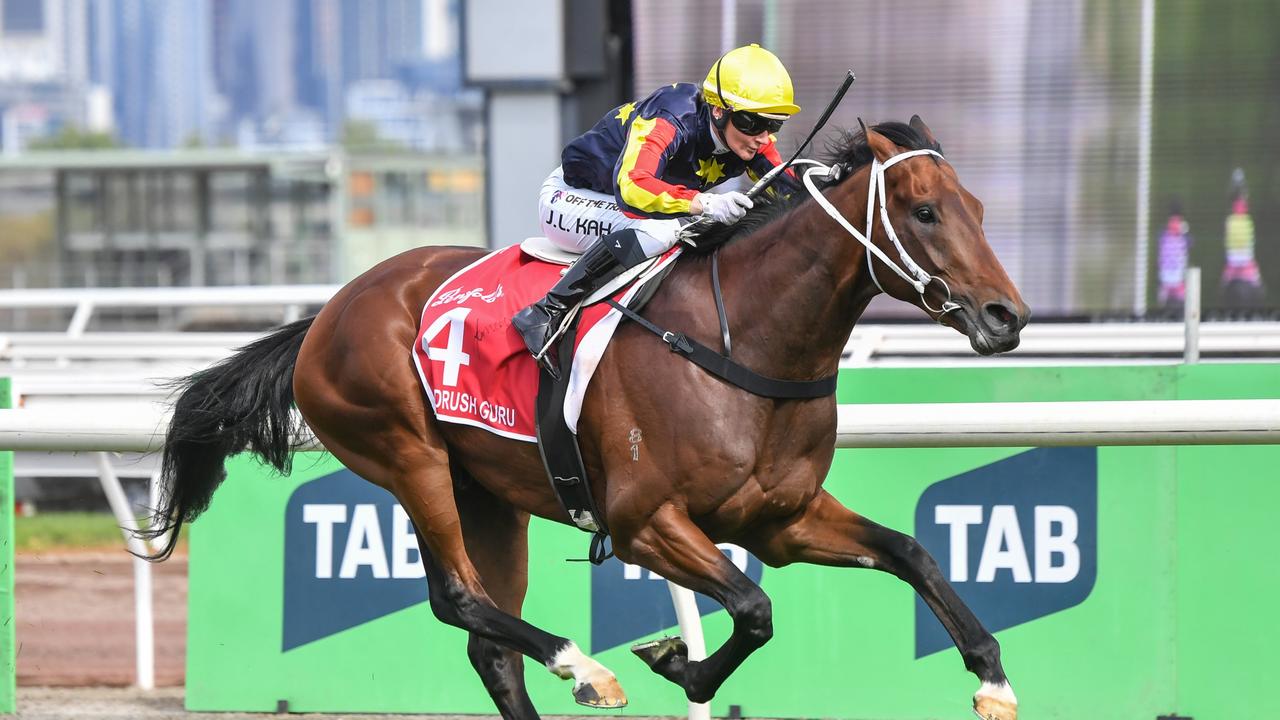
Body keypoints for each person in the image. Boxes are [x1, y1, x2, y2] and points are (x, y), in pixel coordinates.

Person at [512, 43, 802, 375]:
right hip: (571, 198)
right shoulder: (671, 114)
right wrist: (703, 202)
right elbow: (633, 187)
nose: (762, 138)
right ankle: (547, 311)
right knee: (663, 230)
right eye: (752, 122)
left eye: (773, 126)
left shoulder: (749, 140)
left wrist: (827, 180)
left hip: (626, 204)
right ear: (719, 110)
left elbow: (792, 190)